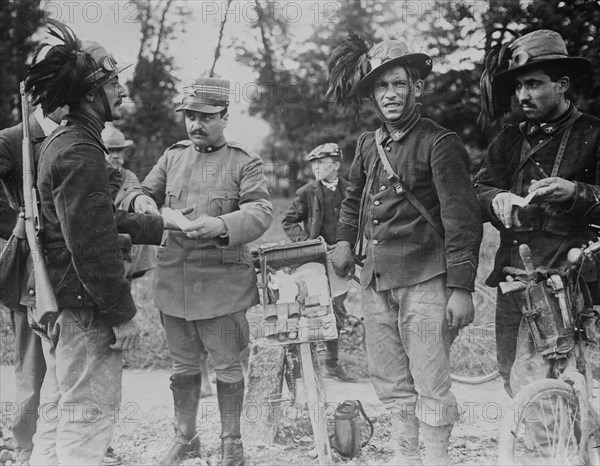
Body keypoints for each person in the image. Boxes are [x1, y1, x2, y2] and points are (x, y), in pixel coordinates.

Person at [22, 21, 178, 465]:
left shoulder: (62, 141)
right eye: (114, 83)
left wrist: (162, 224)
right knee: (87, 421)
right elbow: (90, 246)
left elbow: (92, 220)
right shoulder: (82, 151)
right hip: (84, 307)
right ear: (92, 94)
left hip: (61, 301)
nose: (123, 92)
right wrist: (123, 315)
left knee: (58, 416)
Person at [327, 38, 483, 465]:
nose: (391, 95)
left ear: (417, 88)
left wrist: (461, 288)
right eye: (381, 87)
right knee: (391, 380)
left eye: (399, 84)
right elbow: (351, 195)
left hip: (425, 280)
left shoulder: (440, 142)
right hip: (376, 280)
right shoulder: (367, 143)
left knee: (430, 380)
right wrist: (343, 240)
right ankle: (405, 457)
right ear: (373, 95)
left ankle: (435, 459)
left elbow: (462, 218)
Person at [124, 77, 272, 466]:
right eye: (189, 116)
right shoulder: (172, 157)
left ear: (224, 116)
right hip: (175, 282)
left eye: (205, 117)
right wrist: (142, 202)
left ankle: (231, 444)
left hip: (223, 285)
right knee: (183, 366)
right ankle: (185, 437)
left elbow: (260, 213)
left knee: (226, 365)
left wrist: (222, 226)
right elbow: (140, 190)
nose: (195, 124)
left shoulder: (245, 162)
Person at [473, 29, 600, 396]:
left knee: (574, 378)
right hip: (516, 280)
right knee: (513, 374)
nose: (523, 95)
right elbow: (477, 191)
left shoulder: (593, 133)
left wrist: (576, 191)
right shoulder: (510, 138)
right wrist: (496, 198)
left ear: (562, 85)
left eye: (533, 84)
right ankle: (530, 447)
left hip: (575, 284)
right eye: (518, 87)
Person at [0, 104, 66, 466]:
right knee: (31, 360)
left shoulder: (73, 134)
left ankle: (69, 441)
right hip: (29, 264)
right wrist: (14, 224)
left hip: (65, 264)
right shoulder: (13, 139)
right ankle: (25, 444)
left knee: (67, 358)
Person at [281, 142, 353, 381]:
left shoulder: (351, 190)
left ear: (336, 165)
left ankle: (332, 363)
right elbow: (288, 220)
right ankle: (304, 363)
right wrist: (305, 243)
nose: (317, 169)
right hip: (313, 260)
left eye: (322, 164)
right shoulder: (307, 192)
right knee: (311, 308)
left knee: (337, 308)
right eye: (314, 165)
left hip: (341, 260)